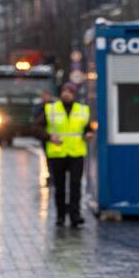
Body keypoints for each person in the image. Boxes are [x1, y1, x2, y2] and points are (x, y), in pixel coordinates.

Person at [36, 83, 93, 227]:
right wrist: (49, 137)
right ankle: (60, 216)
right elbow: (37, 127)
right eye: (64, 91)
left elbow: (88, 128)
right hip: (57, 153)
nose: (66, 94)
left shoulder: (83, 110)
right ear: (61, 93)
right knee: (59, 186)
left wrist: (89, 135)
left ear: (74, 94)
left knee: (75, 184)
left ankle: (75, 215)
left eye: (70, 92)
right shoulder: (51, 109)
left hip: (76, 153)